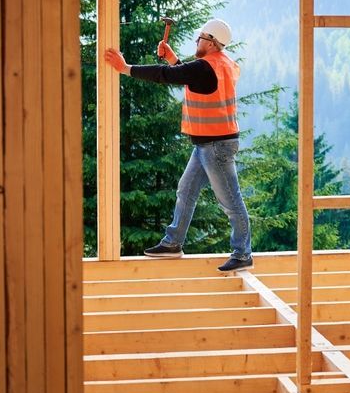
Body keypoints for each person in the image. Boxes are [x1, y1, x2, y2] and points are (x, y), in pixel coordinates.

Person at [102, 18, 253, 273]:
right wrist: (173, 59)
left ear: (212, 42)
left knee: (230, 201)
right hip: (209, 143)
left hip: (216, 146)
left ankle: (243, 253)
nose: (197, 41)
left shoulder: (205, 66)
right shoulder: (221, 64)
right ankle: (173, 243)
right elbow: (191, 77)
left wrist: (125, 68)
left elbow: (168, 75)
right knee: (186, 191)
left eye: (200, 38)